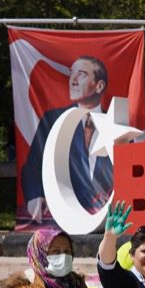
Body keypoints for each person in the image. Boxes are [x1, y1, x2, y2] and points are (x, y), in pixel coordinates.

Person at [20, 55, 114, 224]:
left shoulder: (116, 124)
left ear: (99, 85)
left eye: (82, 74)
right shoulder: (53, 120)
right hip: (62, 219)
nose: (73, 81)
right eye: (72, 73)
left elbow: (125, 173)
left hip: (105, 219)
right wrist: (35, 195)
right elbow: (33, 166)